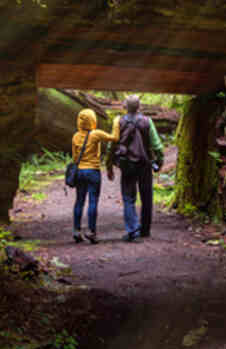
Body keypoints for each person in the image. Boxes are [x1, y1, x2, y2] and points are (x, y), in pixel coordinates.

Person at [106, 94, 165, 241]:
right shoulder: (147, 121)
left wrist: (109, 165)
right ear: (139, 107)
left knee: (128, 197)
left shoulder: (119, 122)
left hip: (127, 164)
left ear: (125, 107)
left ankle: (132, 230)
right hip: (145, 164)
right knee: (146, 197)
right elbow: (157, 145)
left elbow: (111, 144)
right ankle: (145, 230)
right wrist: (160, 160)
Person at [70, 108, 120, 244]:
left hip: (80, 172)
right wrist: (116, 122)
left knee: (79, 201)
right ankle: (91, 232)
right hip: (93, 172)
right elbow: (115, 138)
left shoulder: (75, 136)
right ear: (93, 120)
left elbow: (75, 158)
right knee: (92, 201)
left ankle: (76, 230)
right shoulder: (96, 134)